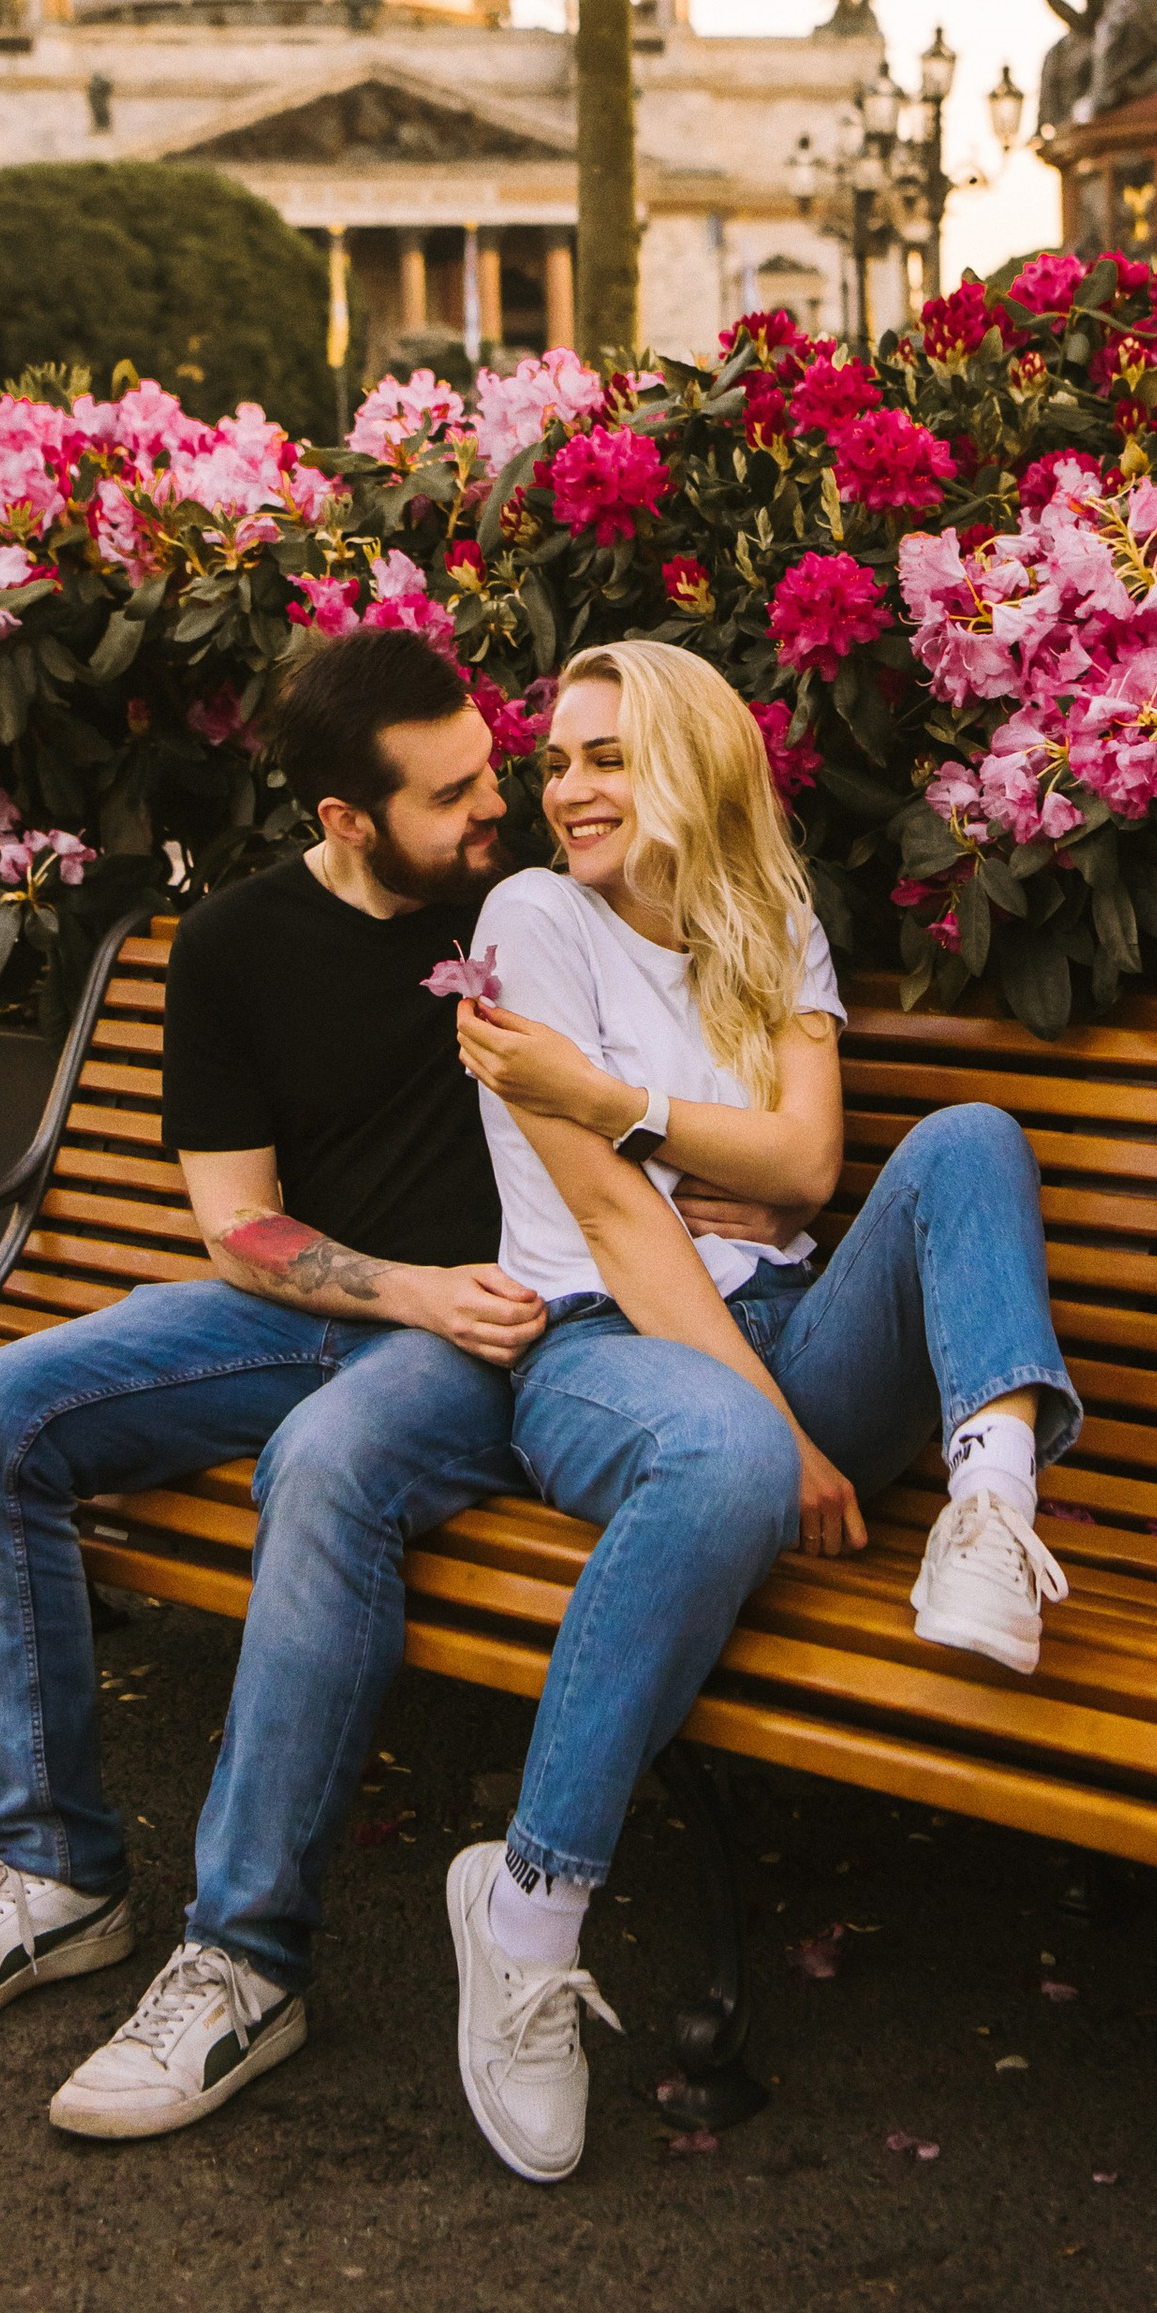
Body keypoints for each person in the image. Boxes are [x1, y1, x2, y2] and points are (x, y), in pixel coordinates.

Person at [0, 632, 544, 2138]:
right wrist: (400, 1285)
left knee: (324, 1468)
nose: (497, 803)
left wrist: (452, 1301)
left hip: (493, 1338)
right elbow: (238, 1222)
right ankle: (54, 1872)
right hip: (339, 1310)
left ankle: (246, 1961)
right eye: (454, 794)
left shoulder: (536, 895)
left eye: (489, 767)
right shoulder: (236, 947)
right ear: (348, 818)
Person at [440, 639, 1083, 2186]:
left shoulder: (768, 917)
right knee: (726, 1457)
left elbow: (803, 1172)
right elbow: (618, 1222)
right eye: (558, 762)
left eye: (610, 755)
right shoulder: (531, 920)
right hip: (602, 1347)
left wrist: (628, 1104)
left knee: (971, 1136)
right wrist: (778, 1434)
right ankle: (525, 1916)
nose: (571, 790)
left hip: (788, 1322)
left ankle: (992, 1509)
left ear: (695, 761)